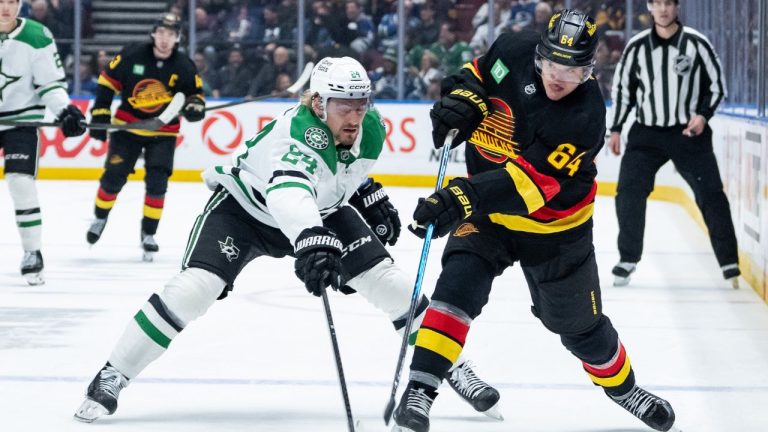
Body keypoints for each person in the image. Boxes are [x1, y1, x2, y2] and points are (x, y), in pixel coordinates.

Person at [73, 57, 501, 423]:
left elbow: (341, 176)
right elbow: (290, 192)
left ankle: (454, 368)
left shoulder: (370, 127)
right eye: (342, 106)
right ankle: (113, 373)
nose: (354, 116)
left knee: (392, 285)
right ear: (318, 104)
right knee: (194, 290)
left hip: (323, 212)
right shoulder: (298, 132)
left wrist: (366, 193)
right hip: (245, 211)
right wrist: (312, 239)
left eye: (360, 104)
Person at [392, 10, 677, 432]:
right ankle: (420, 389)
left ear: (589, 71)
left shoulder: (584, 117)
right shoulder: (512, 48)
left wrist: (461, 197)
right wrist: (463, 100)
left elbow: (529, 187)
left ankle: (624, 389)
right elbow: (477, 73)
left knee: (578, 328)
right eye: (552, 64)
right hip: (488, 215)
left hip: (554, 229)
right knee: (456, 286)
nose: (559, 77)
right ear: (538, 55)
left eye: (573, 69)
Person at [606, 0, 737, 288]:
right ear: (649, 7)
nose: (663, 9)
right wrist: (614, 128)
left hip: (688, 133)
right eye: (657, 3)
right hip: (646, 135)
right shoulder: (637, 46)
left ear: (676, 7)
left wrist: (703, 115)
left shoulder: (697, 43)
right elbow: (624, 90)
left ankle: (730, 263)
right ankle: (628, 258)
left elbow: (716, 86)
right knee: (628, 192)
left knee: (711, 195)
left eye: (668, 3)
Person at [84, 13, 206, 261]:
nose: (164, 39)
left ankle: (149, 233)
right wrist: (100, 113)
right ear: (153, 34)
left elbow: (196, 94)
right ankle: (100, 217)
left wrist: (195, 107)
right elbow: (107, 82)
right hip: (127, 128)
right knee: (113, 178)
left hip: (163, 132)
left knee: (158, 183)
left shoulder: (184, 65)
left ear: (177, 38)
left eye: (170, 35)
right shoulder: (132, 54)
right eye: (161, 33)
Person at [0, 0, 86, 285]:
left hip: (21, 121)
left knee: (21, 183)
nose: (5, 8)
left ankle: (32, 252)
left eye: (11, 1)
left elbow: (50, 84)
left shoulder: (37, 35)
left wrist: (65, 110)